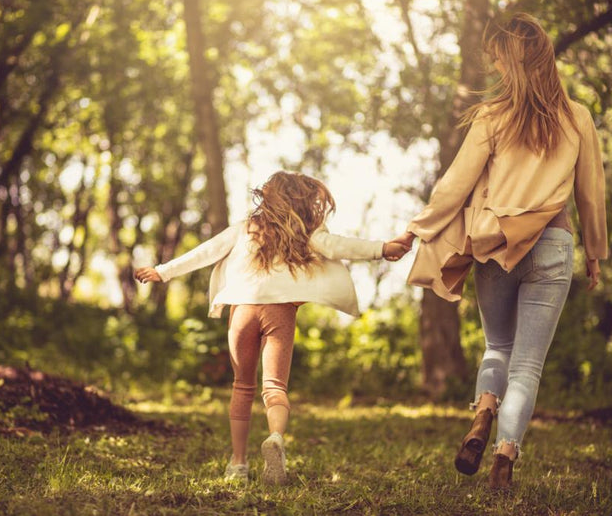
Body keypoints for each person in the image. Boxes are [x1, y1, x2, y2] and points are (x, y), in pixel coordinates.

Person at [392, 13, 608, 489]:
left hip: (495, 244)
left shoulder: (493, 116)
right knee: (528, 365)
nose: (492, 66)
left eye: (495, 58)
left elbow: (454, 186)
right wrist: (594, 253)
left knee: (498, 347)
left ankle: (483, 412)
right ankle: (504, 458)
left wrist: (415, 230)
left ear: (511, 60)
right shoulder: (578, 117)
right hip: (553, 242)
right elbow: (590, 194)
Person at [135, 171, 410, 485]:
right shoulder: (305, 232)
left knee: (242, 386)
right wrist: (383, 248)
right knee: (274, 387)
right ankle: (276, 437)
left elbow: (206, 252)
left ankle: (238, 463)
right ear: (301, 201)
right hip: (279, 312)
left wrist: (162, 272)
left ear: (268, 197)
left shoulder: (243, 229)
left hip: (242, 311)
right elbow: (339, 246)